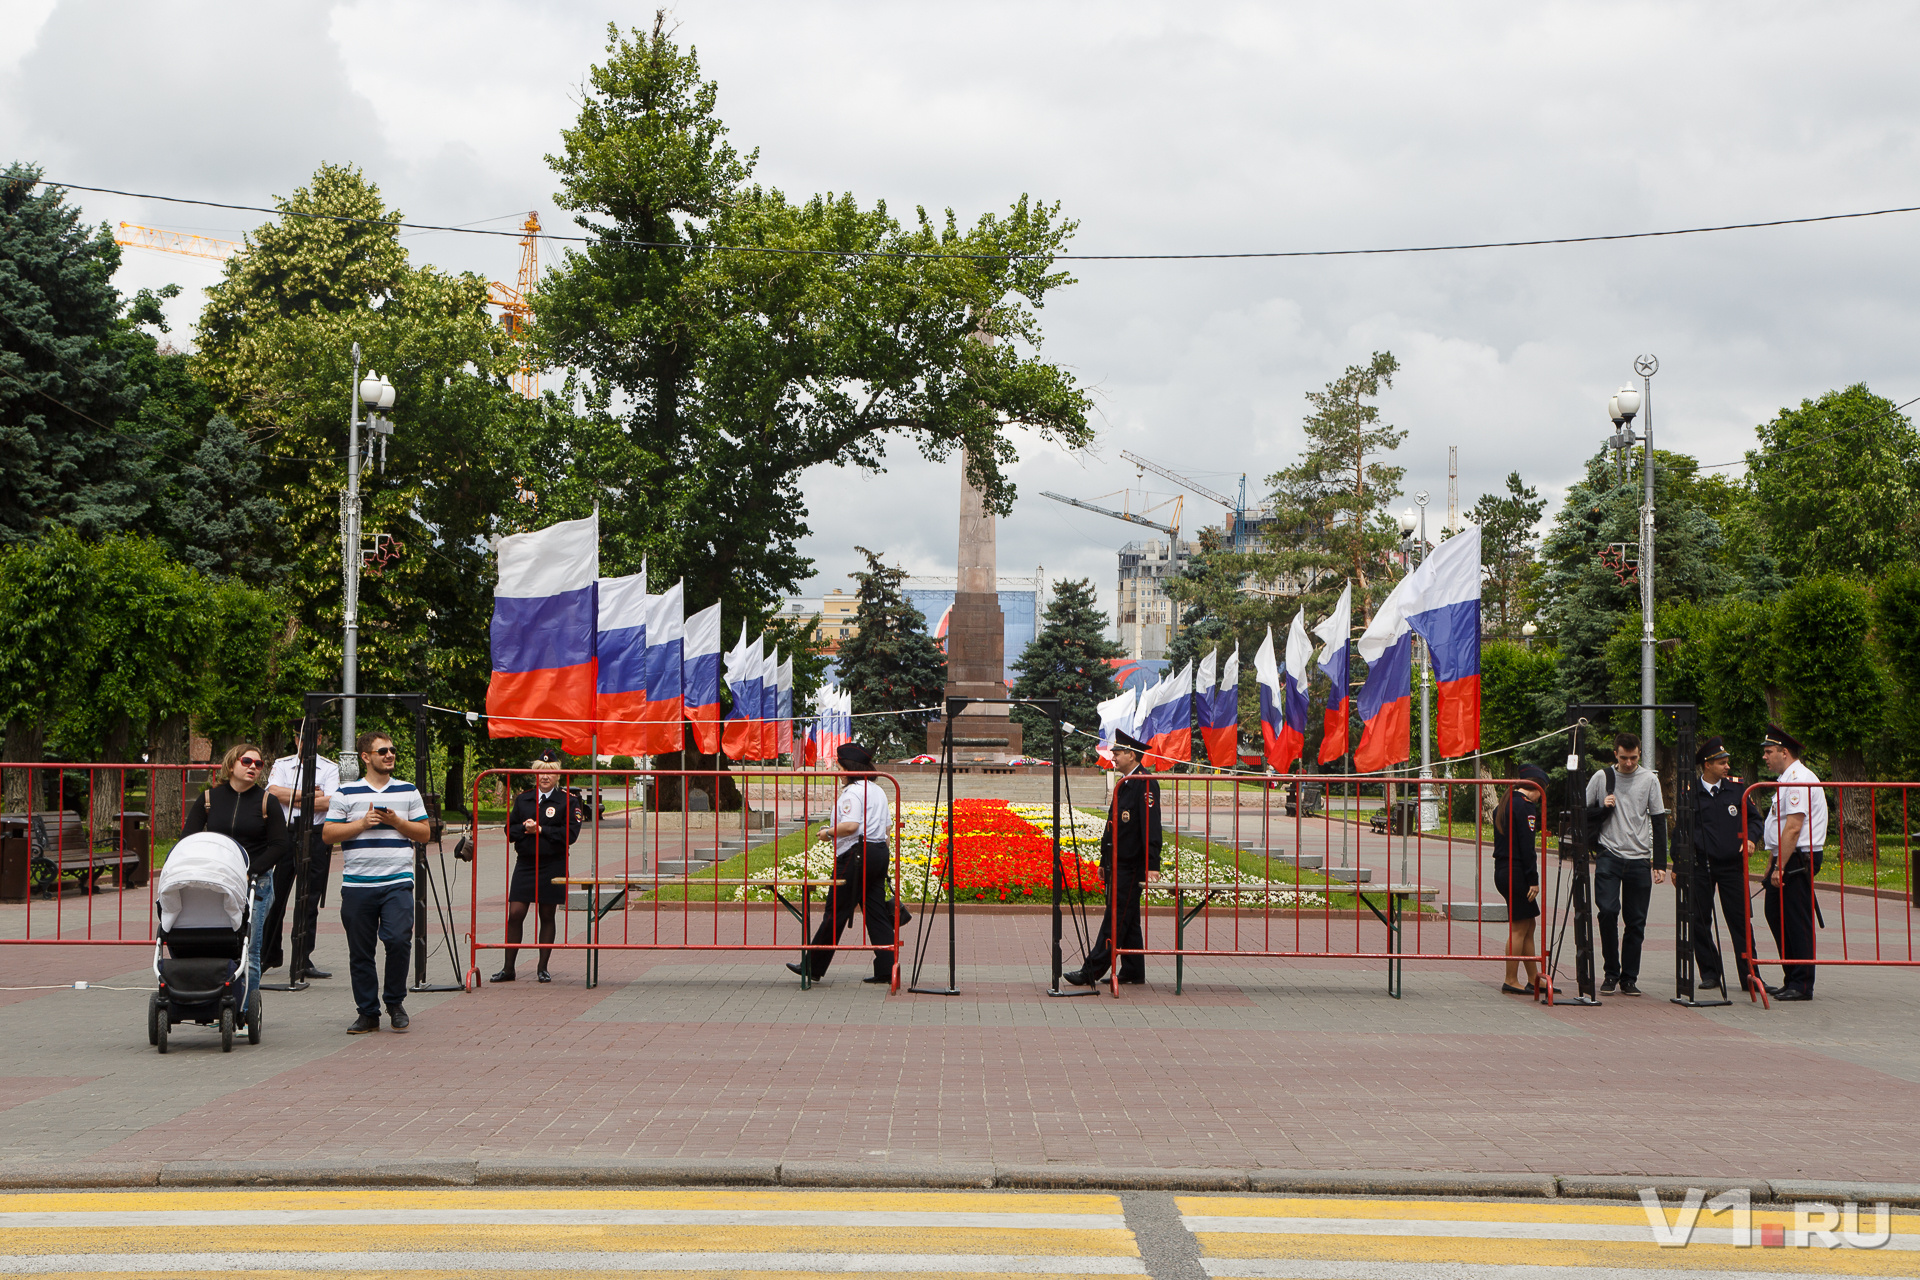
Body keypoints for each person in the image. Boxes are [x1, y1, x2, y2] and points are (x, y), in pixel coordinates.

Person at [324, 731, 431, 1033]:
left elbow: (424, 834)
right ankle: (368, 1012)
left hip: (397, 881)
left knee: (398, 940)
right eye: (382, 751)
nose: (389, 755)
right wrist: (360, 824)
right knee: (361, 951)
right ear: (365, 757)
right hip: (358, 885)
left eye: (392, 750)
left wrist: (398, 822)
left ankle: (395, 1002)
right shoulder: (346, 794)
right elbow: (328, 835)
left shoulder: (408, 791)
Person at [787, 741, 907, 984]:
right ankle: (886, 967)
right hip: (878, 851)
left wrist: (828, 833)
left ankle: (812, 966)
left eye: (840, 768)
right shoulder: (878, 790)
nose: (839, 774)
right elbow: (887, 827)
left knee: (836, 910)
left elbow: (851, 826)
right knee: (875, 911)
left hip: (856, 854)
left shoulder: (852, 793)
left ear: (849, 768)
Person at [184, 743, 288, 1005]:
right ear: (231, 765)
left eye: (258, 764)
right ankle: (216, 1001)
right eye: (247, 761)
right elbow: (189, 838)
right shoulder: (209, 799)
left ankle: (245, 1010)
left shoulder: (267, 801)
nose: (253, 767)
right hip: (217, 881)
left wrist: (250, 870)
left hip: (256, 884)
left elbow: (280, 845)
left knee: (250, 949)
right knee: (219, 943)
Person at [1065, 730, 1162, 987]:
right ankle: (1133, 970)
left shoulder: (1144, 783)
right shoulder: (1126, 783)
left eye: (1117, 754)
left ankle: (1091, 971)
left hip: (1132, 864)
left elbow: (1150, 827)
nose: (1113, 758)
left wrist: (1152, 863)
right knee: (1128, 919)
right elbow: (1113, 827)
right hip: (1118, 863)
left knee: (1116, 919)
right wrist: (1103, 862)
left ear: (1131, 754)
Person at [1584, 732, 1668, 997]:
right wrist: (1603, 807)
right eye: (1624, 758)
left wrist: (1660, 862)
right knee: (1607, 912)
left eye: (1633, 758)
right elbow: (1582, 812)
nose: (1629, 763)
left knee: (1636, 921)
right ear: (1615, 755)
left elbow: (1658, 819)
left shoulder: (1649, 780)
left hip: (1639, 858)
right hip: (1609, 854)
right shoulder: (1602, 777)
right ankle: (1611, 972)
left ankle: (1629, 978)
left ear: (1639, 754)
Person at [494, 748, 586, 984]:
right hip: (525, 864)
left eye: (550, 773)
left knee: (547, 914)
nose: (544, 777)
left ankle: (542, 968)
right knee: (515, 914)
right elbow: (510, 830)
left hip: (552, 863)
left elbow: (570, 834)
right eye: (540, 772)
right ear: (534, 774)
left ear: (557, 776)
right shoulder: (524, 799)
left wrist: (542, 830)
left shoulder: (568, 801)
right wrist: (526, 829)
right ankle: (508, 969)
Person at [1685, 736, 1764, 995]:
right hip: (1701, 865)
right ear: (1707, 765)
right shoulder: (1691, 793)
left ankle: (1750, 974)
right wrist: (1677, 864)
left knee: (1741, 921)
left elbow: (1755, 820)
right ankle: (1710, 973)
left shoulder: (1737, 789)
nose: (1727, 767)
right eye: (1721, 762)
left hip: (1731, 866)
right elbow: (1681, 830)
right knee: (1699, 920)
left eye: (1727, 762)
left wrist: (1751, 839)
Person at [263, 721, 341, 981]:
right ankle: (268, 955)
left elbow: (330, 802)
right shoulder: (283, 765)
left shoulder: (329, 768)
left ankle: (302, 959)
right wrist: (310, 793)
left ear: (318, 739)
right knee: (277, 898)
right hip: (285, 834)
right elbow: (273, 794)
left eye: (309, 738)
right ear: (295, 739)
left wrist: (294, 796)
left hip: (316, 835)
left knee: (309, 900)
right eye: (299, 737)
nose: (303, 742)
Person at [1760, 725, 1827, 1002]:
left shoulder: (1798, 779)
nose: (1765, 757)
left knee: (1796, 920)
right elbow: (1780, 829)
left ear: (1784, 752)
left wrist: (1780, 866)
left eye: (1769, 752)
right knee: (1776, 913)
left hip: (1799, 857)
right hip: (1787, 856)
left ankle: (1801, 983)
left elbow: (1793, 827)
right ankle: (1791, 977)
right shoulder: (1787, 778)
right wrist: (1772, 862)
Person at [1492, 764, 1553, 996]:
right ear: (1537, 788)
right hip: (1517, 872)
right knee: (1519, 928)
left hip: (1504, 870)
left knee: (1529, 925)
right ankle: (1511, 979)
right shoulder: (1525, 808)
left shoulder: (1505, 804)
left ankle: (1534, 979)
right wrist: (1533, 879)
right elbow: (1527, 848)